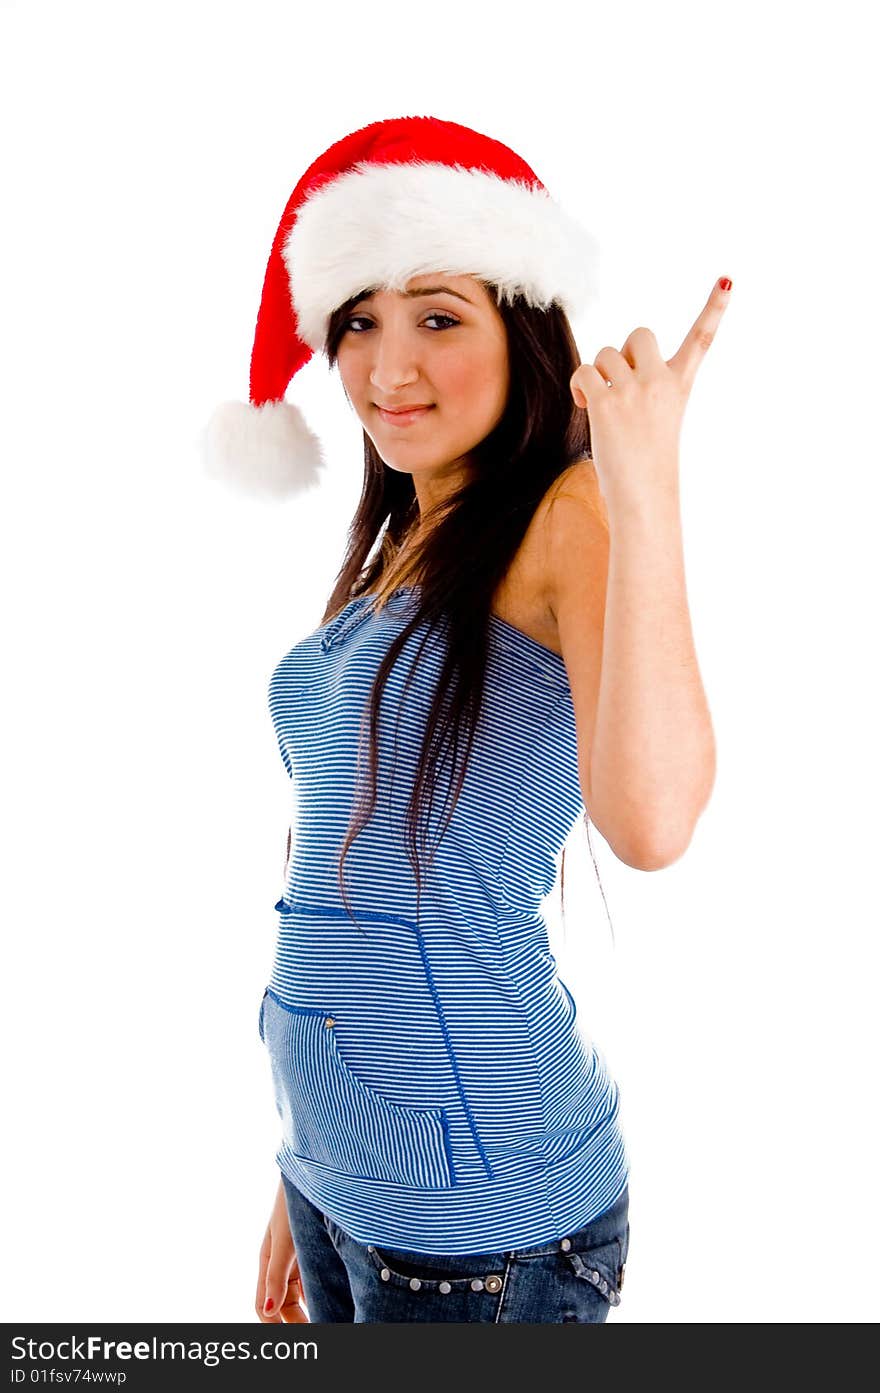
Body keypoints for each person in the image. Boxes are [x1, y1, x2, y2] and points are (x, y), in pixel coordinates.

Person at [205, 115, 725, 1323]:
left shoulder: (566, 518)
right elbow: (344, 860)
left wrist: (644, 489)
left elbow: (650, 821)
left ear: (524, 325)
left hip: (479, 1216)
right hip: (344, 1178)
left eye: (439, 317)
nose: (389, 372)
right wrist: (300, 1164)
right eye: (358, 323)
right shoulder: (410, 535)